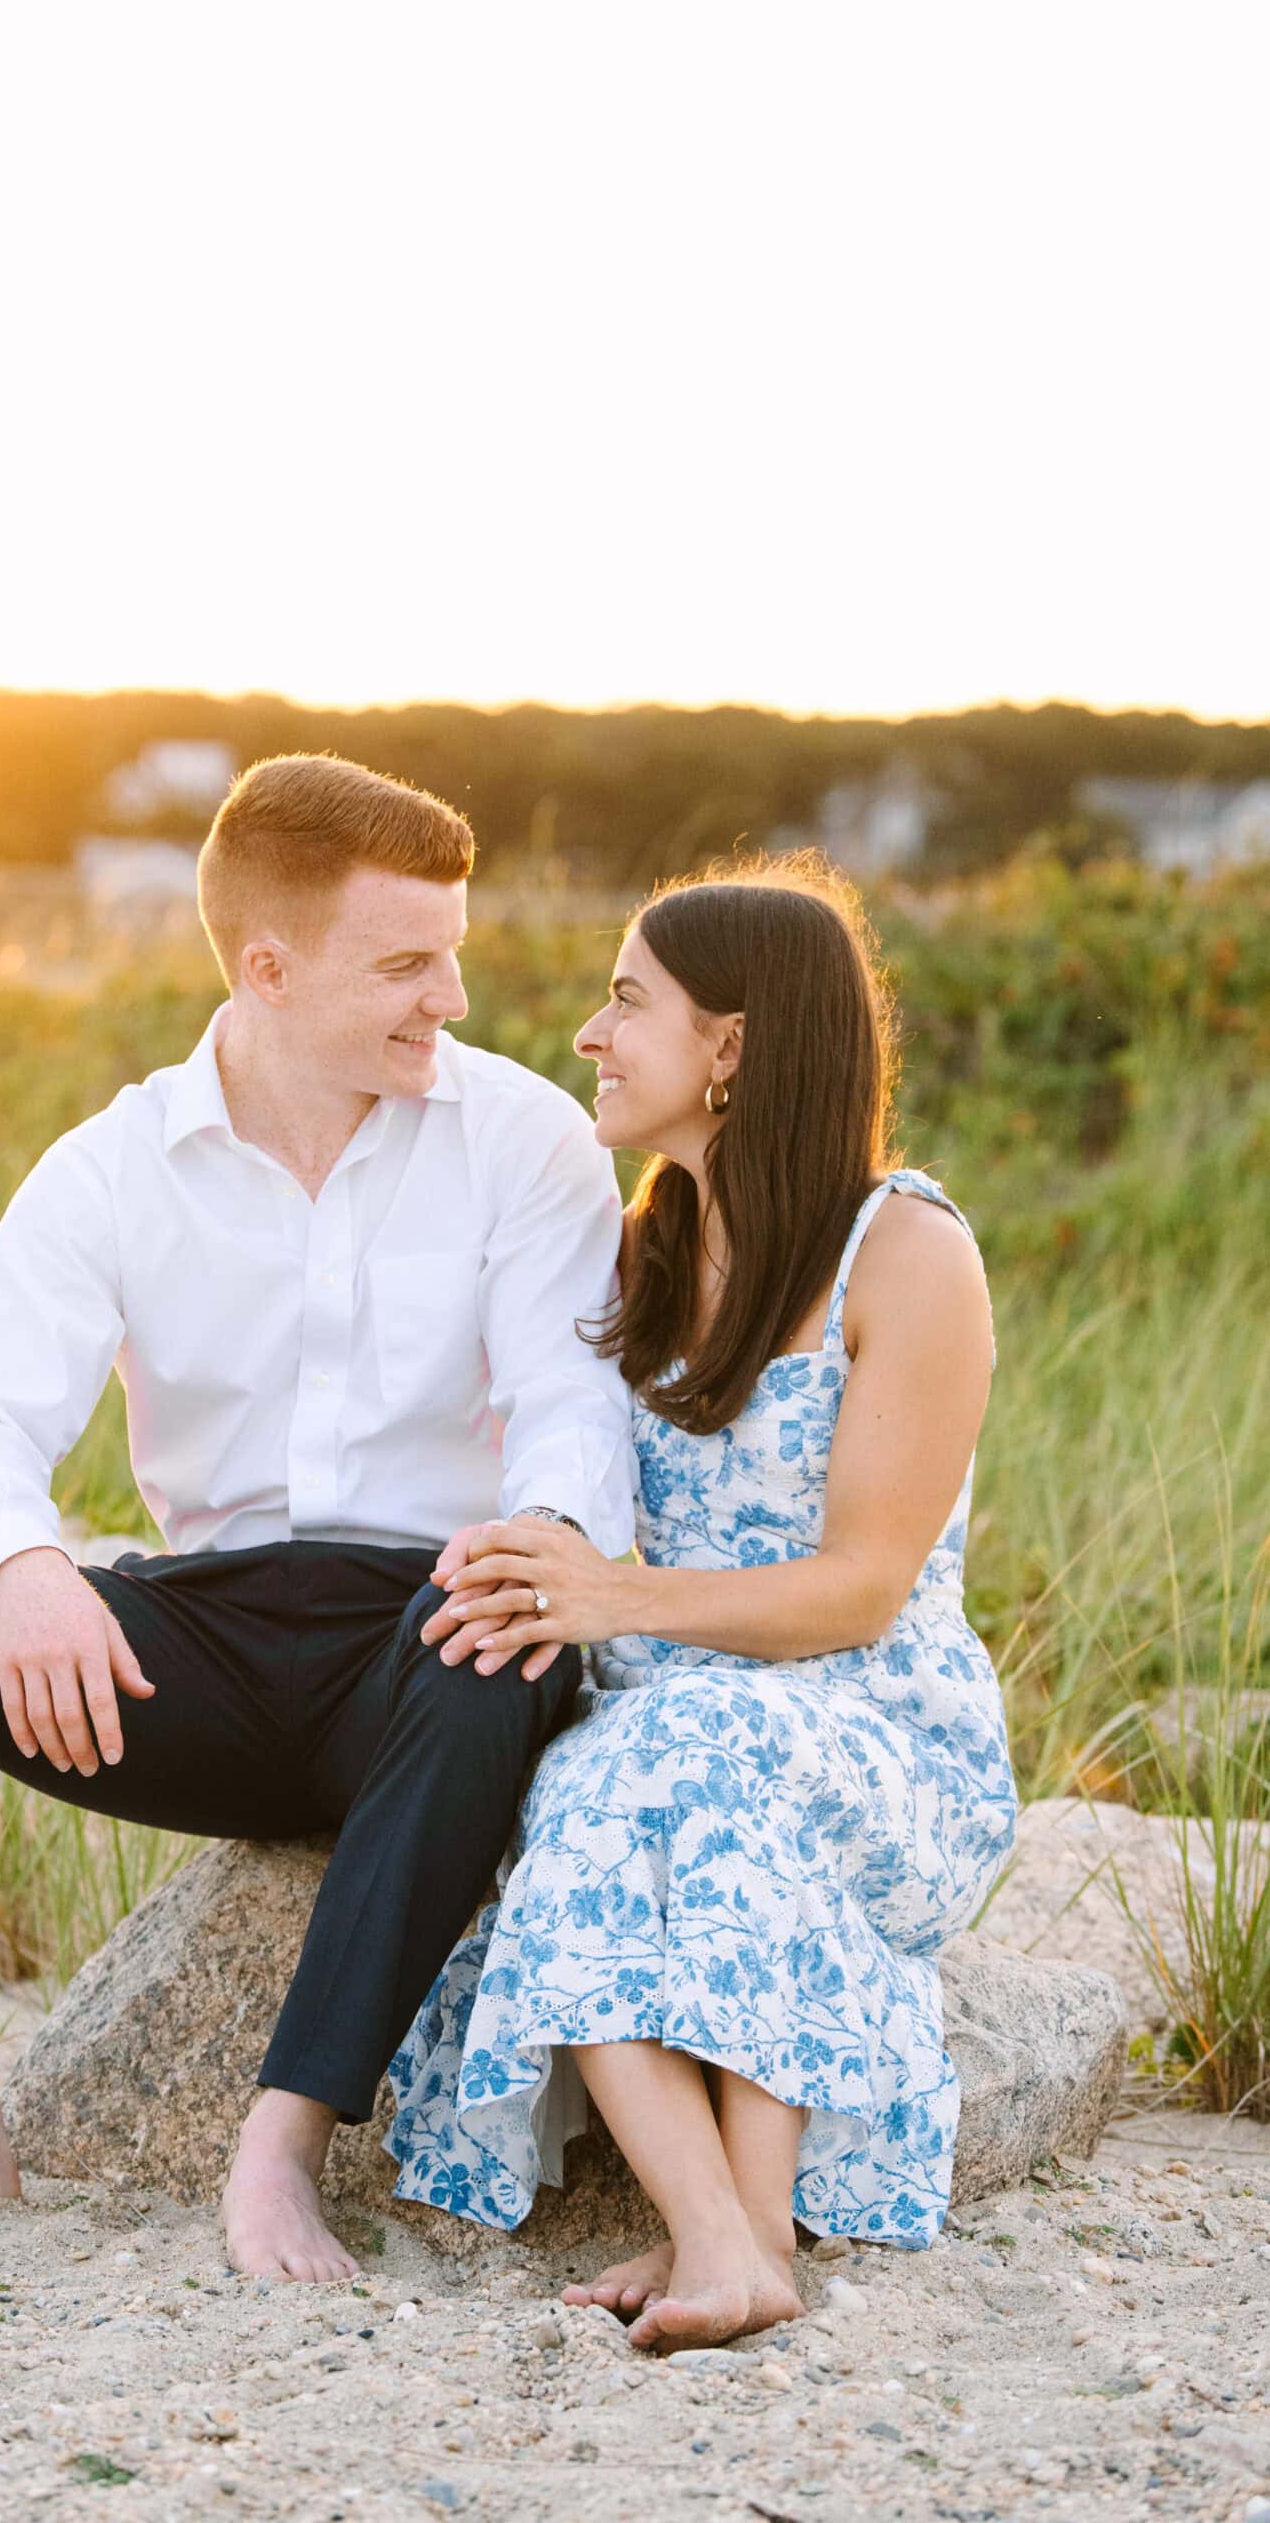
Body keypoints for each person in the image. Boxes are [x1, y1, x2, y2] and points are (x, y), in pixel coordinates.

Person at [0, 753, 633, 2277]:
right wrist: (30, 1570)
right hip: (204, 1655)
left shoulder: (526, 1138)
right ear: (269, 968)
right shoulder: (109, 1170)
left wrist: (542, 1538)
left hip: (423, 1637)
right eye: (408, 963)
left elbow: (570, 1401)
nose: (454, 997)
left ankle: (279, 2149)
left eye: (456, 952)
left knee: (500, 1632)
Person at [385, 857, 1020, 2349]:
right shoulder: (636, 1250)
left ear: (730, 1046)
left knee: (686, 1759)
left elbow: (862, 1587)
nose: (590, 1036)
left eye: (626, 1000)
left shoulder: (905, 1256)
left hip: (873, 1731)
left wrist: (610, 1597)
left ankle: (720, 2241)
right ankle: (731, 2246)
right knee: (605, 1777)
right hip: (667, 1721)